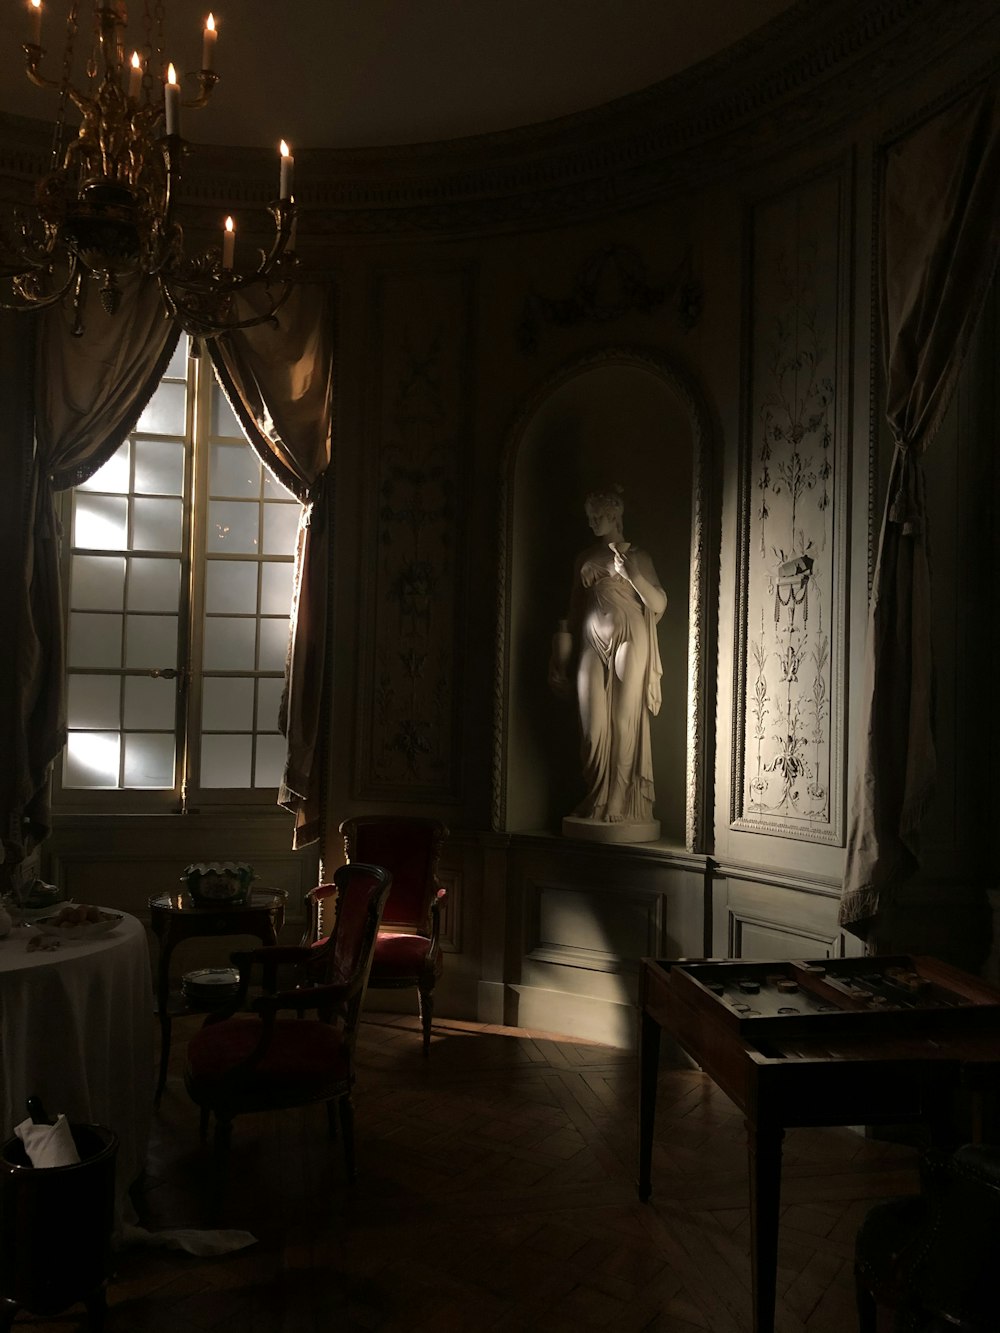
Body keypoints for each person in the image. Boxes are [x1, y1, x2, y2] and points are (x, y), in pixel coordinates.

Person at [549, 485, 666, 826]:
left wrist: (633, 576)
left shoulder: (638, 556)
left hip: (630, 635)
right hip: (590, 639)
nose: (592, 522)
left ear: (615, 515)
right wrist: (558, 657)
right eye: (589, 517)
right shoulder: (583, 557)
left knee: (623, 720)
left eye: (598, 516)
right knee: (592, 729)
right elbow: (572, 609)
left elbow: (658, 604)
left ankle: (617, 797)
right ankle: (596, 794)